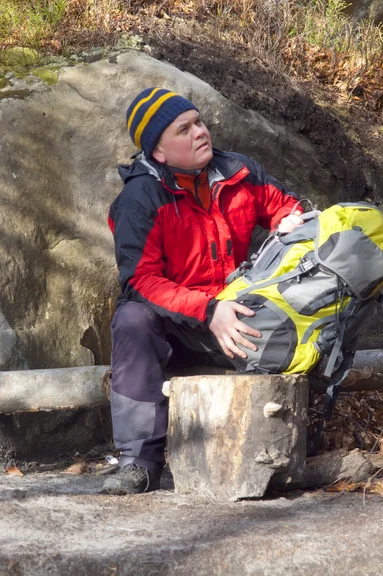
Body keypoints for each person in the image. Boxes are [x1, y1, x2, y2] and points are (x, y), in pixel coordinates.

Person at [102, 87, 304, 495]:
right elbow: (141, 280)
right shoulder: (140, 198)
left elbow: (286, 206)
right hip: (178, 328)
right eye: (184, 129)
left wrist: (293, 223)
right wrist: (209, 310)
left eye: (199, 122)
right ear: (159, 152)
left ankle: (283, 453)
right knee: (132, 319)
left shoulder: (238, 172)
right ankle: (139, 462)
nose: (200, 133)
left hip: (237, 312)